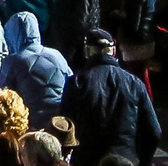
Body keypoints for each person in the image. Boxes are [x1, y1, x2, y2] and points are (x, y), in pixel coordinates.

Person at [60, 31, 160, 165]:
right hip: (126, 159)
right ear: (113, 52)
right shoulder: (134, 83)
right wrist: (142, 160)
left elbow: (65, 126)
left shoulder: (78, 83)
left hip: (88, 159)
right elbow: (154, 131)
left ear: (88, 51)